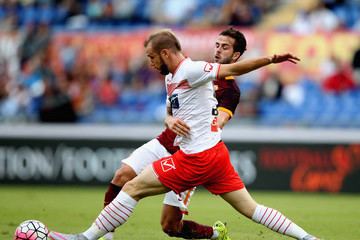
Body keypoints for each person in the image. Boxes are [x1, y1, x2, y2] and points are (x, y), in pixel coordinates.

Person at [49, 29, 318, 240]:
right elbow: (171, 108)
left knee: (132, 188)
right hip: (215, 155)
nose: (150, 63)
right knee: (251, 209)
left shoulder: (194, 70)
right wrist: (170, 119)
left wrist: (271, 59)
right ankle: (306, 236)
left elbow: (234, 72)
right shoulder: (172, 77)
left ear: (165, 53)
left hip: (194, 156)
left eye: (152, 57)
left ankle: (86, 236)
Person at [100, 27, 245, 240]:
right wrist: (168, 119)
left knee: (170, 226)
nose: (218, 51)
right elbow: (170, 109)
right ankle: (106, 235)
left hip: (190, 154)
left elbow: (218, 123)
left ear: (236, 56)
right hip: (166, 141)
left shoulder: (230, 91)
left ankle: (216, 234)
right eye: (217, 45)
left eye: (225, 47)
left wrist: (202, 113)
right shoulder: (193, 70)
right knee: (122, 175)